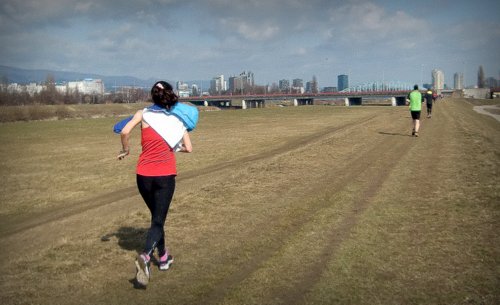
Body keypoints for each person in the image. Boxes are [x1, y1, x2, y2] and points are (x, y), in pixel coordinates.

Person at [117, 81, 193, 287]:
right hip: (164, 176)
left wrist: (125, 150)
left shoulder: (142, 114)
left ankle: (163, 257)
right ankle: (145, 256)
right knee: (158, 221)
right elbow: (189, 148)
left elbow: (124, 132)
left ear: (153, 96)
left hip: (143, 175)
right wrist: (172, 147)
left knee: (156, 218)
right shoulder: (178, 120)